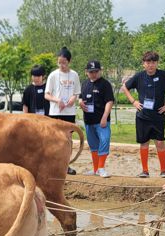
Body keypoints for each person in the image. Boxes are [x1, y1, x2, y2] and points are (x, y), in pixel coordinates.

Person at [123, 51, 165, 178]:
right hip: (142, 116)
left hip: (158, 116)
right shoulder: (139, 76)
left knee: (160, 143)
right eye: (148, 62)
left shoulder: (163, 75)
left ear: (157, 63)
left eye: (153, 62)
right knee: (144, 143)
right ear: (143, 64)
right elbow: (125, 87)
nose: (151, 65)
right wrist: (133, 101)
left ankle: (163, 171)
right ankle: (145, 171)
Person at [45, 47, 82, 175]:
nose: (61, 65)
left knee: (68, 139)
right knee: (54, 139)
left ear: (69, 61)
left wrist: (72, 99)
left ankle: (66, 165)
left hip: (69, 112)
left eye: (64, 63)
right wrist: (57, 100)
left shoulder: (74, 75)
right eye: (59, 62)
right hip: (56, 112)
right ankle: (53, 165)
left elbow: (76, 92)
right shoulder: (53, 75)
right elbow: (47, 95)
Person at [79, 60, 114, 178]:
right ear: (86, 72)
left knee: (104, 141)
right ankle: (95, 169)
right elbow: (80, 97)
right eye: (91, 72)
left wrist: (105, 117)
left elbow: (109, 101)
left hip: (101, 121)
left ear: (100, 71)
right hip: (88, 120)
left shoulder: (105, 84)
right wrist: (80, 102)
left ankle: (101, 168)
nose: (93, 74)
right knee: (93, 146)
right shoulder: (84, 84)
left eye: (96, 71)